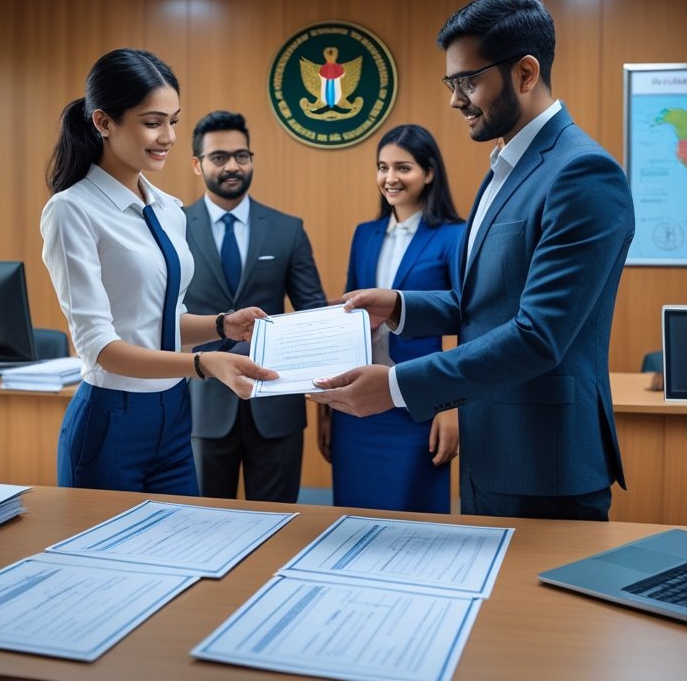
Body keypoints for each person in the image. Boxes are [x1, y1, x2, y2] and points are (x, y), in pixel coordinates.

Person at [313, 0, 636, 521]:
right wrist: (396, 306)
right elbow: (480, 301)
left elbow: (539, 334)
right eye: (451, 83)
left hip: (544, 459)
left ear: (525, 74)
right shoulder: (504, 166)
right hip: (492, 449)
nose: (455, 100)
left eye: (468, 82)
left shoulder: (582, 173)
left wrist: (396, 387)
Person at [40, 48, 276, 495]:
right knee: (110, 563)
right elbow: (100, 348)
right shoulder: (72, 210)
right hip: (111, 418)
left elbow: (161, 322)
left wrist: (224, 324)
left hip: (173, 416)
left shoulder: (168, 209)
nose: (168, 136)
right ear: (104, 122)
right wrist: (204, 364)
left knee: (180, 552)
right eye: (152, 122)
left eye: (174, 120)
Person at [318, 124, 465, 513]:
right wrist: (328, 409)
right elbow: (344, 322)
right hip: (358, 402)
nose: (390, 178)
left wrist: (452, 408)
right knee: (354, 518)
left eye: (403, 168)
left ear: (429, 172)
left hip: (417, 403)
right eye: (382, 167)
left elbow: (467, 324)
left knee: (415, 524)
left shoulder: (455, 236)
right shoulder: (364, 235)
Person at [183, 110, 327, 503]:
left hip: (276, 405)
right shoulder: (173, 228)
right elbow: (161, 318)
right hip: (201, 409)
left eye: (242, 155)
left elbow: (313, 313)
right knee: (203, 526)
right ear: (197, 164)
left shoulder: (287, 229)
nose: (232, 166)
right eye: (219, 157)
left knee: (279, 525)